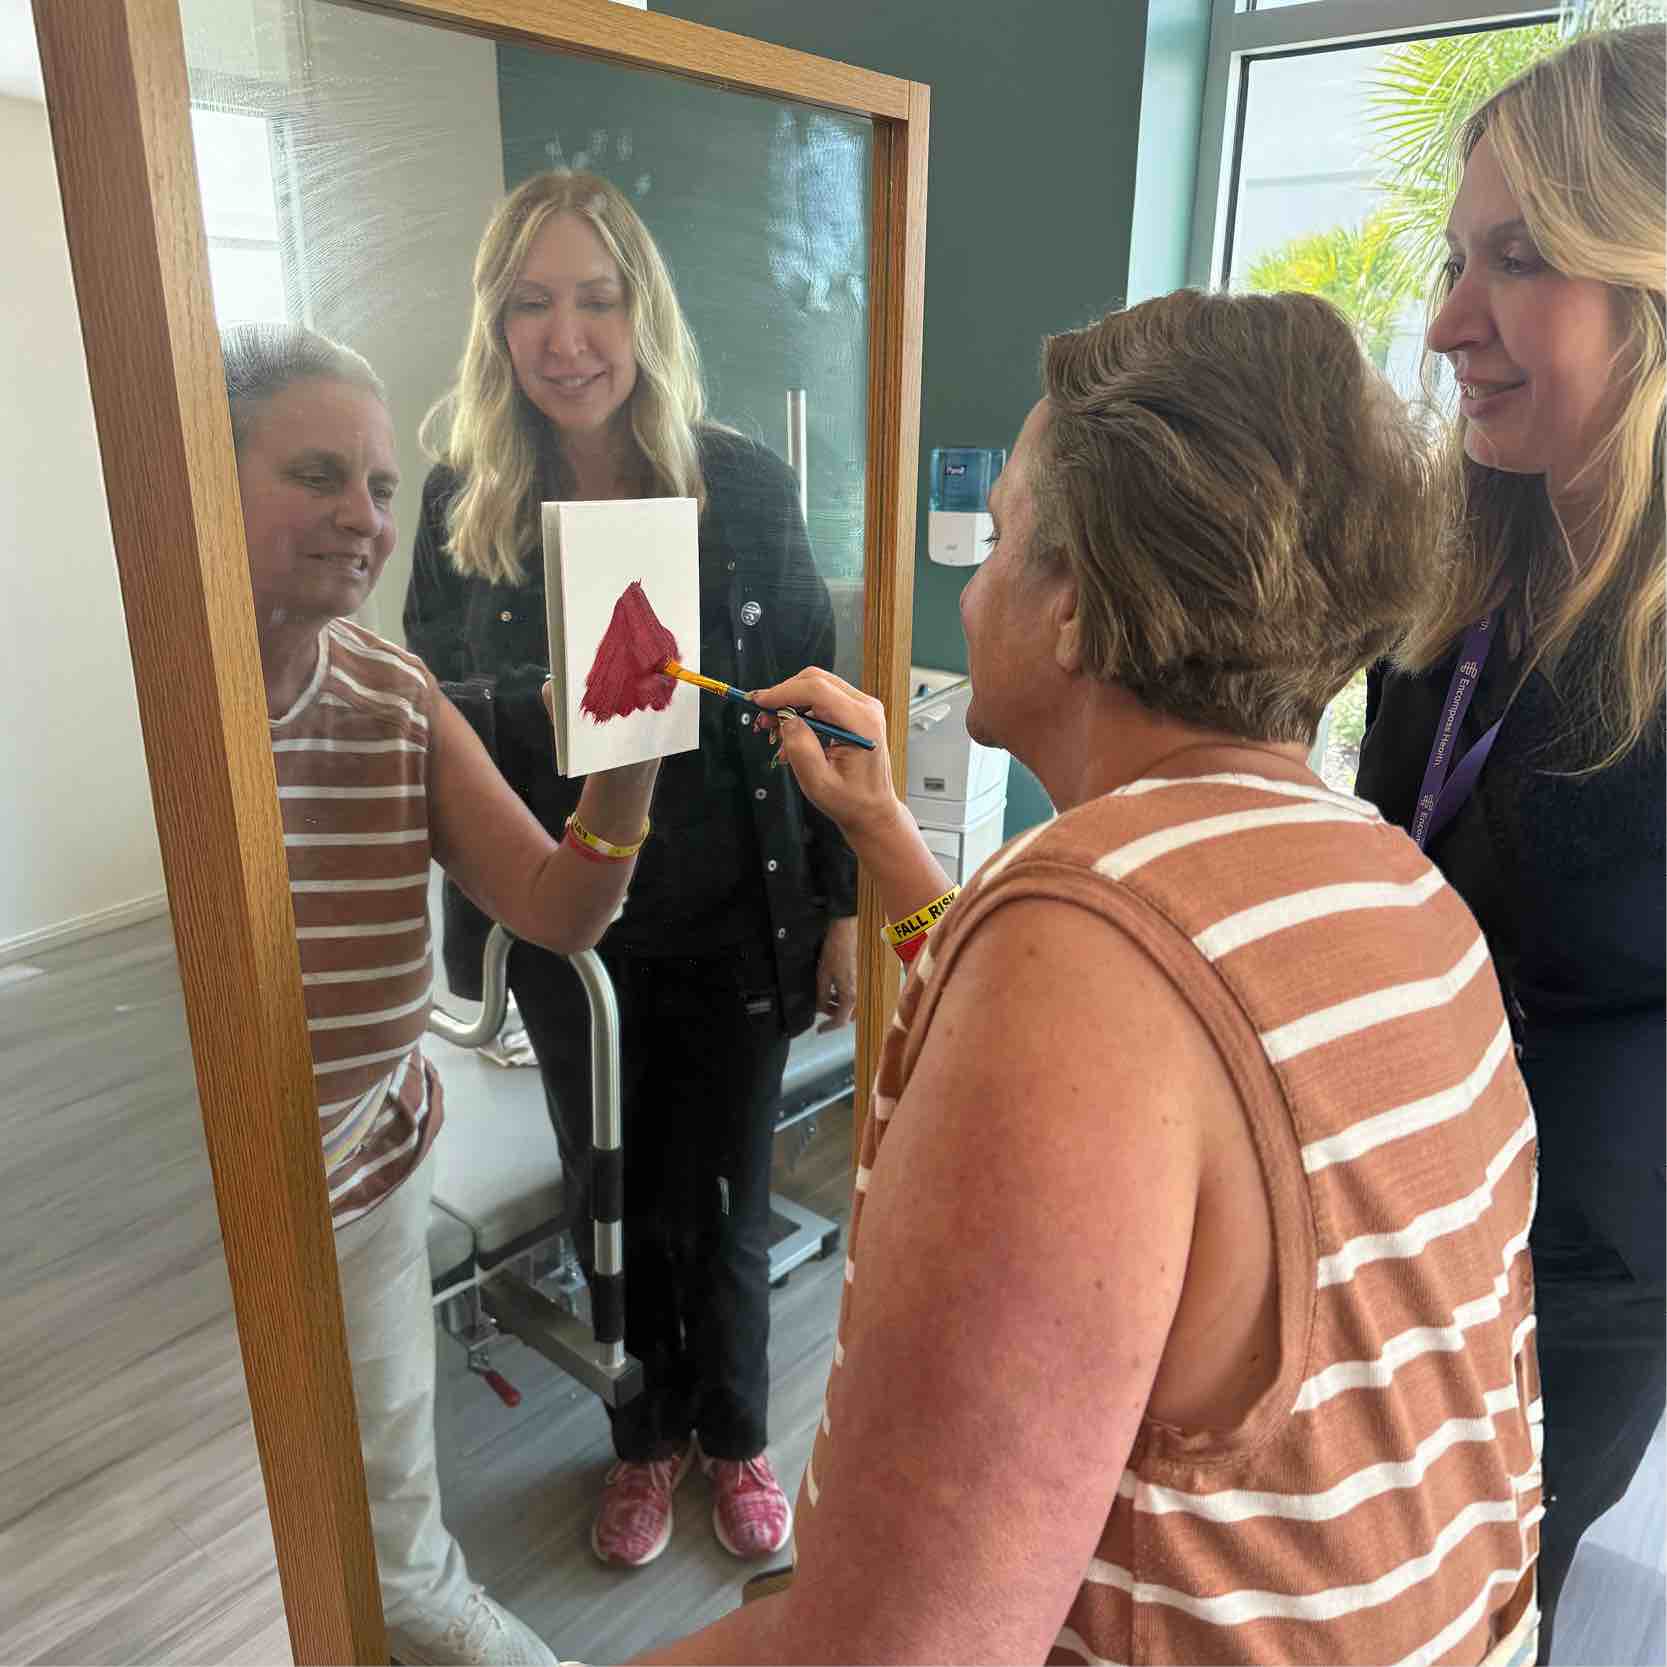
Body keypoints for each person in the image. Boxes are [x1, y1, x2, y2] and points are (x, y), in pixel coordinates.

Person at [636, 289, 1543, 1665]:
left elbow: (891, 1658)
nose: (972, 580)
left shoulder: (1081, 946)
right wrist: (883, 832)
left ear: (1073, 604)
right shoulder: (1393, 886)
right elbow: (1145, 1098)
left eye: (1000, 539)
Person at [403, 170, 857, 1569]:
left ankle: (734, 1441)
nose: (567, 336)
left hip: (729, 916)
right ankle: (642, 1440)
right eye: (531, 303)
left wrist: (840, 911)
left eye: (595, 298)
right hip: (564, 935)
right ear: (496, 327)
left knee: (720, 1199)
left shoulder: (743, 484)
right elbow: (433, 726)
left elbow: (818, 708)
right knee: (611, 1198)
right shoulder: (457, 508)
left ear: (641, 312)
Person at [223, 321, 660, 1666]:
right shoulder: (143, 706)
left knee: (398, 1548)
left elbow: (556, 907)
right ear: (198, 475)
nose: (362, 519)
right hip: (195, 1225)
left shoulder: (393, 695)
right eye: (315, 477)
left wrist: (632, 749)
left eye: (378, 487)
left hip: (365, 1181)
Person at [1354, 26, 1665, 1660]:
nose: (1445, 323)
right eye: (1459, 257)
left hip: (1579, 1284)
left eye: (1521, 261)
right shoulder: (1461, 569)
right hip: (1388, 1223)